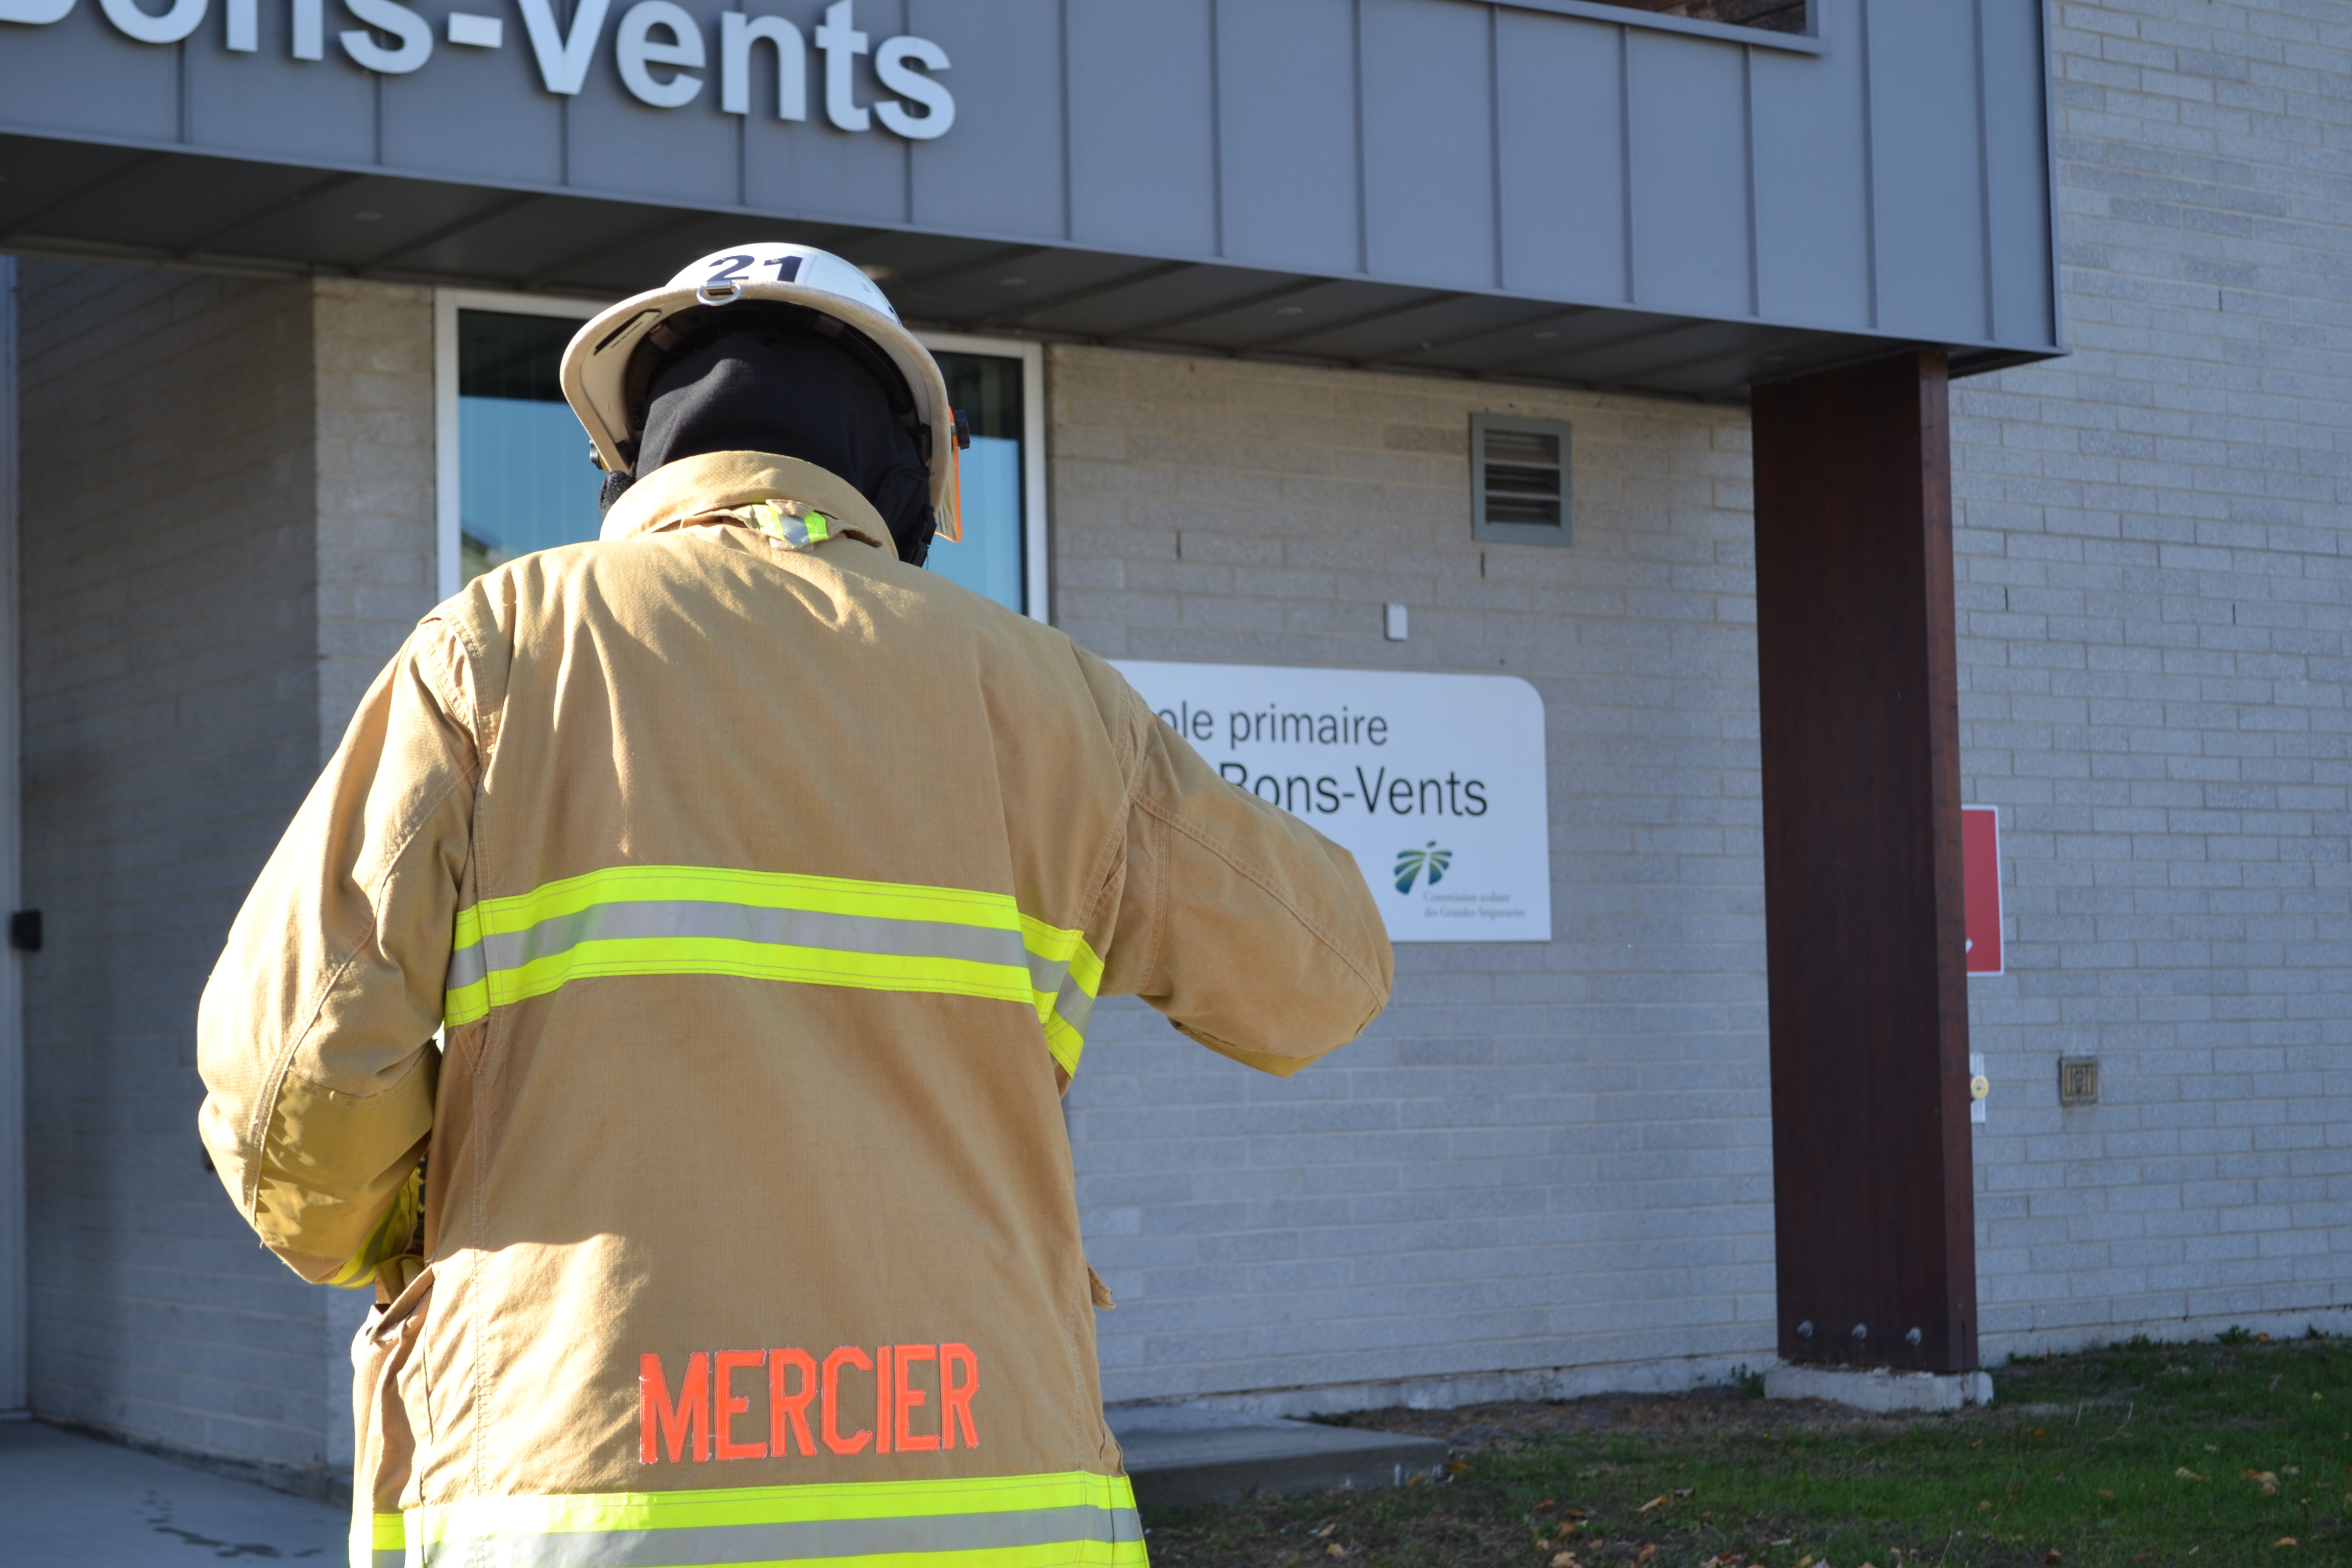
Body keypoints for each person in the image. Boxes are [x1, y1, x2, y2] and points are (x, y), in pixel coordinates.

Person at [195, 243, 1392, 1568]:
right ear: (915, 459)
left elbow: (292, 1063)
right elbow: (1324, 978)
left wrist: (404, 1239)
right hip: (989, 1493)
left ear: (633, 456)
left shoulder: (503, 645)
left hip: (576, 1489)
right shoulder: (1057, 702)